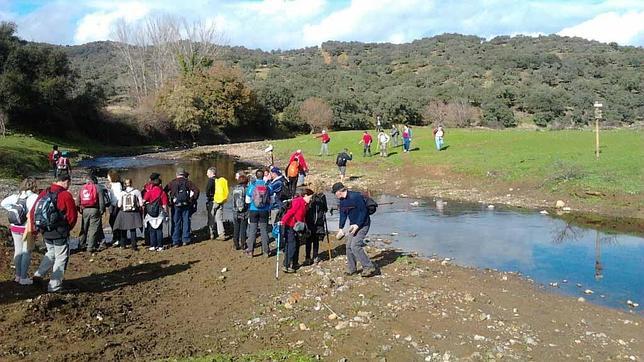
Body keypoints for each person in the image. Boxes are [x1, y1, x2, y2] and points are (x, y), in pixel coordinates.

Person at [31, 173, 78, 292]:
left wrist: (37, 228)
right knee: (61, 257)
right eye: (69, 183)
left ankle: (38, 274)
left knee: (51, 252)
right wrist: (68, 229)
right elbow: (72, 216)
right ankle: (54, 286)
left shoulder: (44, 192)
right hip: (60, 232)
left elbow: (33, 211)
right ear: (66, 181)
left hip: (45, 230)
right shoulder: (65, 195)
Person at [332, 182, 376, 277]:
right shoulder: (342, 201)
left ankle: (368, 267)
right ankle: (352, 269)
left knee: (355, 246)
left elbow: (363, 212)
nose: (334, 195)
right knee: (348, 247)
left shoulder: (355, 196)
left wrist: (357, 225)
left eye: (334, 193)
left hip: (363, 224)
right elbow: (343, 215)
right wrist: (340, 228)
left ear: (339, 191)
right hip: (353, 225)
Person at [1, 177, 39, 285]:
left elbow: (3, 203)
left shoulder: (16, 196)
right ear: (34, 186)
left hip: (14, 226)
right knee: (26, 252)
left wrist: (13, 210)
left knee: (18, 251)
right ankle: (23, 277)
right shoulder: (35, 197)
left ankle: (17, 276)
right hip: (27, 228)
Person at [280, 188, 314, 273]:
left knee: (297, 244)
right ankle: (287, 265)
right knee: (292, 245)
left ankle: (294, 263)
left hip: (297, 226)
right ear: (305, 195)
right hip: (290, 225)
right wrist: (283, 221)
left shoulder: (305, 204)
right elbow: (290, 212)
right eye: (310, 197)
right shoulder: (298, 202)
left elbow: (302, 216)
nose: (311, 199)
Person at [165, 167, 200, 247]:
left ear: (176, 174)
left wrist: (169, 202)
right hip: (186, 205)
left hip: (175, 205)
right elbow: (196, 191)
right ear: (184, 174)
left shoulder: (172, 183)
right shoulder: (187, 182)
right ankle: (185, 239)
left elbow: (164, 191)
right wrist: (191, 200)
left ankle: (176, 241)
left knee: (176, 222)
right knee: (186, 221)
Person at [245, 169, 272, 257]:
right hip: (264, 210)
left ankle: (250, 251)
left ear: (256, 176)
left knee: (252, 230)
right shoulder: (267, 185)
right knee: (264, 230)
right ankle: (266, 251)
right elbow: (271, 196)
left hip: (253, 209)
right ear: (263, 175)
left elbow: (248, 199)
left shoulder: (252, 185)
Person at [114, 178, 144, 250]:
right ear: (131, 183)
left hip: (124, 213)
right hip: (133, 213)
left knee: (123, 229)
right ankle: (134, 246)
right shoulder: (137, 192)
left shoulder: (121, 193)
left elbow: (119, 205)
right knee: (132, 230)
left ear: (125, 184)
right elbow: (141, 204)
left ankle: (123, 245)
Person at [78, 175, 106, 252]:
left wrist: (80, 209)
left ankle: (81, 244)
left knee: (84, 228)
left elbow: (77, 201)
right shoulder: (98, 187)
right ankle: (90, 246)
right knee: (94, 228)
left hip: (85, 210)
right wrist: (101, 210)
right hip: (95, 210)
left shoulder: (82, 188)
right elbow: (101, 202)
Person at [304, 180, 328, 265]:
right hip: (319, 221)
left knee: (308, 240)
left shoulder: (308, 195)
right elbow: (325, 209)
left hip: (309, 220)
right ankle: (315, 256)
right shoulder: (322, 196)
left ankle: (308, 257)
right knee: (315, 240)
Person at [143, 176, 168, 251]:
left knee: (152, 230)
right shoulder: (162, 193)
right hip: (159, 213)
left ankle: (153, 245)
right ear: (160, 184)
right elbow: (164, 205)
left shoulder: (149, 192)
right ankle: (160, 246)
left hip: (150, 213)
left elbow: (143, 201)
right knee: (159, 230)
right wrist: (166, 214)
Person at [205, 167, 226, 240]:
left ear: (211, 173)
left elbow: (207, 191)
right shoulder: (219, 179)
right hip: (220, 200)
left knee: (211, 218)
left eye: (207, 172)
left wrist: (208, 196)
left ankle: (211, 234)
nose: (207, 174)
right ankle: (222, 234)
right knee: (219, 218)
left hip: (212, 201)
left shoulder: (211, 180)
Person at [231, 174, 249, 250]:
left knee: (236, 228)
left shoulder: (234, 188)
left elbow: (233, 200)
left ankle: (235, 244)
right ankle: (243, 244)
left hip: (235, 211)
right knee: (243, 228)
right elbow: (248, 201)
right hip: (244, 212)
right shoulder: (246, 189)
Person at [105, 170, 123, 248]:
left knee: (114, 222)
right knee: (112, 221)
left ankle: (117, 238)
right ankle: (116, 237)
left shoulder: (117, 185)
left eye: (108, 176)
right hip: (113, 205)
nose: (107, 177)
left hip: (116, 206)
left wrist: (117, 205)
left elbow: (118, 196)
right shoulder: (112, 184)